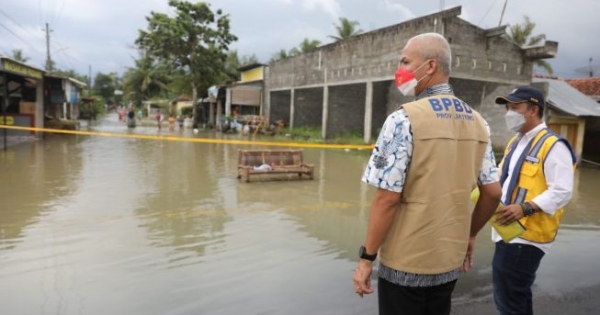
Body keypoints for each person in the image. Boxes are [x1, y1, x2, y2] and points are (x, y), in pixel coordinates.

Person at [353, 32, 502, 315]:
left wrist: (366, 259)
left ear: (430, 66)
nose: (400, 69)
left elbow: (386, 199)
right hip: (449, 260)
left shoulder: (403, 119)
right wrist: (469, 235)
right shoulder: (479, 123)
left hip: (405, 263)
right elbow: (493, 192)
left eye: (406, 61)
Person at [492, 86, 576, 315]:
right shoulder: (515, 143)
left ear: (533, 110)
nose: (509, 112)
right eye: (508, 107)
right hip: (506, 230)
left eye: (515, 107)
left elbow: (562, 191)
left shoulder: (554, 146)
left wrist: (525, 208)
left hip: (527, 236)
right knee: (517, 296)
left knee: (508, 301)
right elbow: (500, 178)